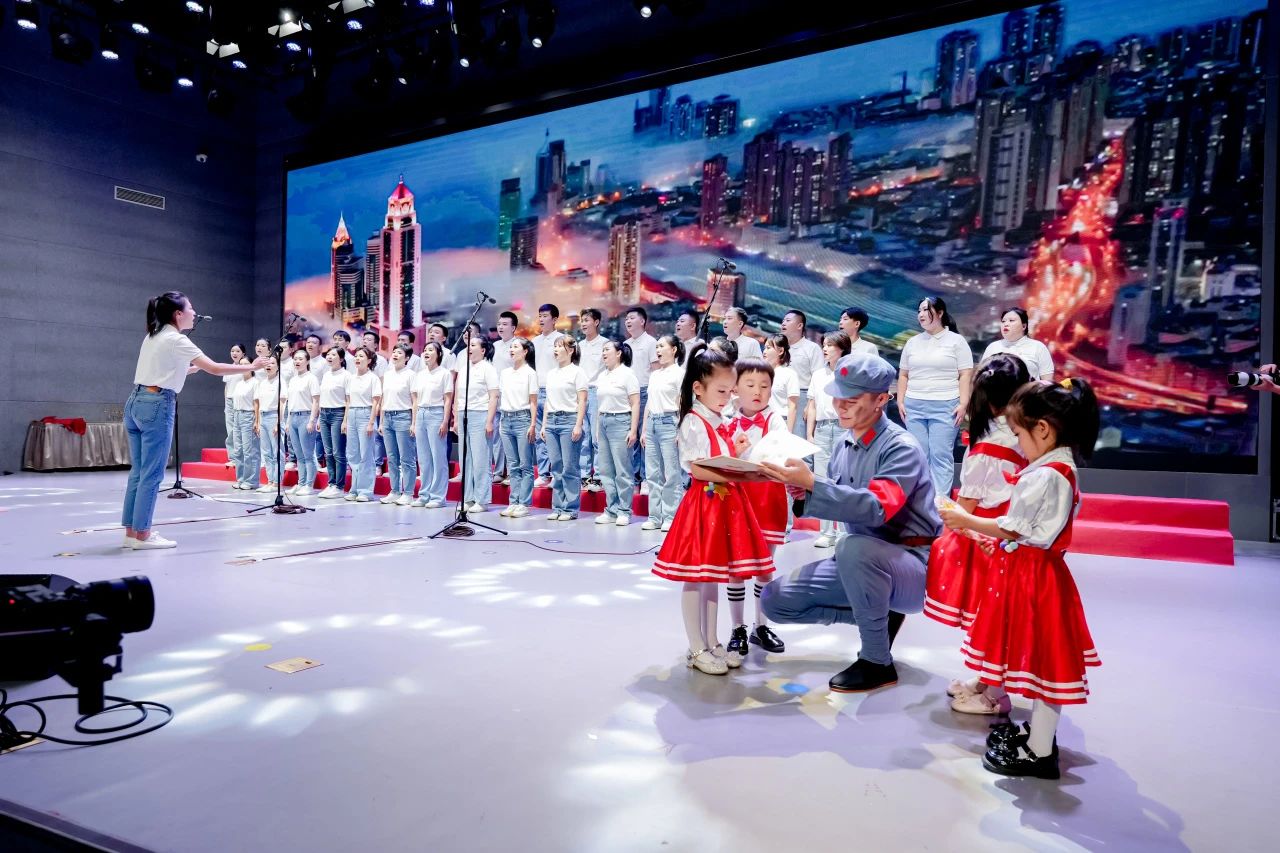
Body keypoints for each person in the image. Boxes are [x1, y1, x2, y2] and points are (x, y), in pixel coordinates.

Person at [938, 377, 1101, 780]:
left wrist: (965, 519)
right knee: (1045, 663)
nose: (1017, 443)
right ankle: (1038, 741)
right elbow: (1027, 532)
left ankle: (1039, 753)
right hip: (1035, 572)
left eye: (1019, 434)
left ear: (1042, 429)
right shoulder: (1057, 468)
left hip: (1034, 579)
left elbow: (1013, 527)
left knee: (1046, 668)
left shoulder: (1044, 475)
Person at [759, 353, 941, 692]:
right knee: (774, 601)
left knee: (852, 546)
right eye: (837, 396)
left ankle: (877, 661)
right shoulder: (845, 445)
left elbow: (876, 508)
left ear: (881, 400)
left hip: (913, 567)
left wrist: (814, 484)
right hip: (862, 562)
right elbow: (844, 501)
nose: (839, 406)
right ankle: (878, 615)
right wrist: (803, 492)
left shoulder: (901, 448)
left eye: (851, 400)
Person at [653, 349, 775, 675]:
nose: (728, 397)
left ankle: (712, 641)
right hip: (704, 505)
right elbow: (697, 469)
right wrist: (738, 472)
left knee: (713, 577)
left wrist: (735, 453)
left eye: (730, 390)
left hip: (722, 504)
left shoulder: (718, 420)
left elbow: (716, 459)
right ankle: (696, 647)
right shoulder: (694, 421)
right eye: (722, 391)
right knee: (697, 578)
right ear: (698, 388)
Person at [925, 354, 1029, 713]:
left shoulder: (988, 444)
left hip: (986, 535)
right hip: (1003, 530)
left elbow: (967, 503)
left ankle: (995, 695)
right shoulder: (1020, 431)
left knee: (992, 616)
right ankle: (987, 679)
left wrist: (945, 519)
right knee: (993, 613)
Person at [120, 294, 265, 549]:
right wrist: (251, 367)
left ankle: (131, 532)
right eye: (190, 308)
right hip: (157, 405)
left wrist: (187, 370)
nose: (194, 312)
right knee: (152, 474)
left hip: (136, 402)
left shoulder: (153, 334)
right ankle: (143, 535)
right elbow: (216, 368)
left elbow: (158, 372)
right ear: (178, 314)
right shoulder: (178, 339)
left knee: (139, 472)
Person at [723, 358, 788, 661]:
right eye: (750, 384)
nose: (758, 391)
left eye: (764, 385)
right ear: (735, 388)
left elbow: (781, 454)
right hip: (738, 500)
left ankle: (761, 626)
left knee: (764, 566)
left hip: (768, 499)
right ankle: (737, 627)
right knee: (736, 567)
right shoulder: (726, 421)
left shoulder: (776, 420)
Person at [897, 296, 974, 499]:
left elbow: (965, 374)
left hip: (946, 404)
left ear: (940, 313)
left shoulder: (956, 341)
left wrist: (963, 403)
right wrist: (900, 401)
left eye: (926, 310)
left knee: (941, 455)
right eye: (919, 310)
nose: (921, 314)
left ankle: (940, 504)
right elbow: (903, 374)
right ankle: (920, 501)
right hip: (914, 404)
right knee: (919, 455)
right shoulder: (912, 342)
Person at [806, 330, 853, 548]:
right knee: (822, 481)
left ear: (842, 348)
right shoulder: (818, 375)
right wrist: (810, 434)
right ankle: (826, 532)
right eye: (823, 344)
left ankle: (844, 531)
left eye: (829, 345)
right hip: (823, 429)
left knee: (844, 480)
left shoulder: (849, 373)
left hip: (844, 428)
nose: (824, 348)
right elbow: (812, 406)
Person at [593, 339, 641, 526]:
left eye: (607, 350)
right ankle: (611, 510)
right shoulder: (602, 375)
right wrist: (598, 428)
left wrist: (633, 430)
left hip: (621, 421)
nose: (604, 353)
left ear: (619, 353)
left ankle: (624, 511)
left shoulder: (628, 374)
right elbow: (599, 405)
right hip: (604, 421)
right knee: (605, 470)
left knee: (622, 469)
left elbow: (635, 403)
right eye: (602, 350)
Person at [640, 335, 686, 532]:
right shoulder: (655, 375)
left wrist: (680, 430)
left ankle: (670, 516)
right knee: (652, 473)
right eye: (656, 346)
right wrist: (644, 429)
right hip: (652, 423)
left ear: (673, 349)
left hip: (669, 423)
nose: (657, 350)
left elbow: (683, 403)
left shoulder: (680, 373)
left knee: (671, 473)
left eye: (661, 346)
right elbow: (649, 403)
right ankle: (654, 517)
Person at [541, 336, 589, 521]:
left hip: (569, 420)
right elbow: (548, 401)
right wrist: (544, 424)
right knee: (556, 466)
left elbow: (582, 400)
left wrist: (578, 424)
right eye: (554, 346)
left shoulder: (578, 372)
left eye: (559, 346)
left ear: (570, 350)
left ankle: (570, 508)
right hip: (552, 421)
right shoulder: (551, 373)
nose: (555, 349)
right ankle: (558, 506)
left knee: (570, 467)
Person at [452, 333, 500, 513]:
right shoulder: (464, 368)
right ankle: (468, 498)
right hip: (463, 414)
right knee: (465, 459)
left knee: (481, 459)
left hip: (480, 414)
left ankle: (482, 499)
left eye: (473, 345)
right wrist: (456, 418)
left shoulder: (488, 369)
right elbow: (458, 394)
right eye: (469, 345)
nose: (469, 348)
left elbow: (494, 396)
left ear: (483, 350)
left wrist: (489, 421)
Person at [497, 338, 539, 519]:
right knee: (512, 465)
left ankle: (524, 503)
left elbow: (533, 402)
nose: (512, 350)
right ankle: (513, 502)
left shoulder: (530, 373)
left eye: (516, 347)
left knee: (525, 465)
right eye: (511, 347)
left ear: (525, 351)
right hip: (505, 419)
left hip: (523, 419)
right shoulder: (505, 373)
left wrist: (532, 424)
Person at [409, 342, 454, 509]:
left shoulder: (444, 374)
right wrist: (414, 422)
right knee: (424, 458)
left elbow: (448, 400)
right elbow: (415, 401)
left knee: (438, 457)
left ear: (438, 354)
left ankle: (438, 496)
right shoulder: (419, 375)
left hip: (436, 413)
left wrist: (445, 421)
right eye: (425, 350)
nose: (426, 352)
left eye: (430, 350)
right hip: (421, 413)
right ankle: (424, 494)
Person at [531, 304, 566, 488]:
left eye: (545, 315)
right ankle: (544, 474)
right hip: (537, 391)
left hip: (554, 391)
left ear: (554, 319)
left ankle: (557, 475)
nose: (541, 319)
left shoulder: (561, 340)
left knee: (554, 434)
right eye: (540, 315)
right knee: (539, 435)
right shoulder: (534, 342)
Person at [342, 347, 383, 502]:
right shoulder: (351, 378)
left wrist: (371, 422)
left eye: (361, 356)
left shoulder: (373, 378)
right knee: (353, 454)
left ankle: (365, 491)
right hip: (352, 413)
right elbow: (348, 401)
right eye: (356, 356)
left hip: (366, 414)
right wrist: (345, 420)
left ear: (369, 361)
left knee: (366, 454)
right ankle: (355, 488)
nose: (357, 358)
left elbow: (376, 402)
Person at [624, 306, 659, 488]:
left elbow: (656, 370)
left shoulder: (651, 342)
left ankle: (646, 478)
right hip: (627, 395)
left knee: (644, 435)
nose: (628, 321)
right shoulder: (625, 344)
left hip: (644, 392)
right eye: (626, 319)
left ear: (642, 321)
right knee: (630, 436)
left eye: (632, 318)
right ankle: (633, 476)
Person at [379, 344, 417, 506]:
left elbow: (415, 401)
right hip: (387, 417)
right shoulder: (387, 375)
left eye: (399, 352)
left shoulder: (411, 375)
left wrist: (414, 423)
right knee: (392, 458)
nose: (395, 354)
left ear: (407, 358)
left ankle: (408, 493)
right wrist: (381, 421)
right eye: (394, 352)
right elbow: (383, 399)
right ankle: (394, 491)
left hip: (403, 417)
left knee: (406, 458)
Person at [780, 310, 825, 438]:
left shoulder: (812, 348)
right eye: (783, 320)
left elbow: (818, 379)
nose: (783, 323)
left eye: (788, 320)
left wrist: (810, 405)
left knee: (797, 436)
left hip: (802, 397)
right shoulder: (778, 347)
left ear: (799, 326)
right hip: (779, 394)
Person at [577, 308, 607, 493]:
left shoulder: (605, 344)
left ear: (596, 322)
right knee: (583, 436)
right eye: (582, 320)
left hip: (597, 392)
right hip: (581, 393)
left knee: (596, 437)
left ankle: (599, 476)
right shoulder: (579, 346)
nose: (583, 323)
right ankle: (584, 475)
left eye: (587, 320)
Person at [982, 307, 1055, 381]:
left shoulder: (1038, 347)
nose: (1006, 324)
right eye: (1003, 321)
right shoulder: (993, 347)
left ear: (1024, 326)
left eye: (1011, 320)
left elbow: (1047, 382)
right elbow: (981, 377)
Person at [285, 350, 320, 496]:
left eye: (300, 359)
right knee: (299, 455)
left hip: (306, 417)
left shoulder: (311, 378)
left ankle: (309, 485)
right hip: (293, 417)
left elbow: (316, 401)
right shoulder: (293, 380)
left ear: (307, 361)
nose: (297, 361)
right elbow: (290, 403)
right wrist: (288, 421)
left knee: (308, 454)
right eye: (295, 359)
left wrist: (312, 420)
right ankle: (301, 483)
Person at [316, 347, 350, 498]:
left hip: (338, 413)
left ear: (341, 359)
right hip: (324, 413)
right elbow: (322, 398)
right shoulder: (326, 375)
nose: (329, 357)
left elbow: (348, 400)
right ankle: (331, 484)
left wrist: (345, 420)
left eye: (333, 354)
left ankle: (339, 486)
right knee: (328, 452)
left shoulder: (346, 375)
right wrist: (319, 417)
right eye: (328, 354)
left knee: (338, 452)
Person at [490, 311, 520, 484]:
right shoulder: (494, 346)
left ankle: (512, 472)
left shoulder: (518, 345)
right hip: (496, 397)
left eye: (505, 324)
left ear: (513, 328)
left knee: (511, 436)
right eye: (499, 324)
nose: (501, 327)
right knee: (496, 437)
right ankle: (499, 471)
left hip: (512, 398)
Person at [252, 354, 284, 494]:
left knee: (277, 452)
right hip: (263, 417)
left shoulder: (280, 382)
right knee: (266, 452)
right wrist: (258, 421)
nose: (269, 366)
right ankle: (270, 481)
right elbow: (258, 404)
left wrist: (278, 422)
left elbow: (282, 403)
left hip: (274, 416)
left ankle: (277, 482)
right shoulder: (262, 382)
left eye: (272, 363)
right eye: (267, 364)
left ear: (278, 366)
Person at [231, 354, 262, 491]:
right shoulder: (239, 383)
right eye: (241, 364)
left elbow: (257, 403)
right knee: (238, 450)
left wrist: (257, 421)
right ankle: (241, 479)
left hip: (248, 415)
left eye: (246, 364)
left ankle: (252, 481)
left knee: (250, 451)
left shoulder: (255, 382)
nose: (243, 367)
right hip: (237, 415)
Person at [763, 334, 800, 432]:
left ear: (780, 351)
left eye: (768, 348)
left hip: (781, 422)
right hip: (762, 420)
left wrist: (788, 433)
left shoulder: (789, 374)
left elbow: (792, 406)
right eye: (764, 348)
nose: (764, 351)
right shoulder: (762, 373)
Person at [222, 343, 248, 470]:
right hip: (229, 401)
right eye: (232, 351)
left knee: (240, 430)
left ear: (243, 353)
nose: (234, 353)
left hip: (242, 402)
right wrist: (226, 403)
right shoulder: (228, 368)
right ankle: (233, 458)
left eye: (237, 351)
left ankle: (242, 457)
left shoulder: (246, 368)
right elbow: (226, 387)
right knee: (230, 430)